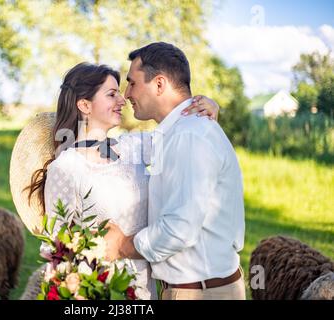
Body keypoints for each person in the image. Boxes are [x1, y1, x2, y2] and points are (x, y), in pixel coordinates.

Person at [25, 62, 220, 300]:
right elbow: (58, 249)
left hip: (148, 290)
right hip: (100, 292)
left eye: (119, 92)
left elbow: (184, 138)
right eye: (112, 94)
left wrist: (206, 107)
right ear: (85, 105)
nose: (122, 99)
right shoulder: (66, 167)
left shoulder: (133, 146)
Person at [104, 42, 246, 300]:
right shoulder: (180, 133)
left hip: (201, 293)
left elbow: (179, 228)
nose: (126, 94)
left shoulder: (189, 136)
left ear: (159, 84)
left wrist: (122, 245)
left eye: (132, 83)